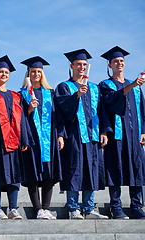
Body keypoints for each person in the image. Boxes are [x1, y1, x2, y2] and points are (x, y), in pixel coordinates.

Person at [55, 49, 110, 219]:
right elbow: (61, 110)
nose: (81, 67)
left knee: (91, 171)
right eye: (78, 64)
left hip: (92, 137)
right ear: (71, 66)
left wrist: (104, 131)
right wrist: (77, 95)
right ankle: (73, 208)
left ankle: (89, 208)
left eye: (84, 64)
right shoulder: (64, 86)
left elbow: (102, 112)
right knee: (74, 170)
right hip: (73, 136)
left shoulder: (94, 88)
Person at [98, 46, 145, 219]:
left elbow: (142, 110)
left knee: (137, 168)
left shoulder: (136, 86)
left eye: (121, 61)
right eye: (116, 61)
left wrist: (144, 131)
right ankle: (116, 207)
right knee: (115, 168)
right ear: (110, 65)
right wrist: (133, 85)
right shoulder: (105, 85)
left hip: (134, 135)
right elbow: (111, 101)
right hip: (116, 135)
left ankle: (136, 206)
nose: (119, 63)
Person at [0, 55, 29, 220]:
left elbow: (21, 118)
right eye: (0, 72)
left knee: (14, 174)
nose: (3, 74)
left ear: (9, 75)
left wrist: (25, 139)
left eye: (6, 72)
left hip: (14, 141)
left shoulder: (16, 96)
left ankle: (13, 208)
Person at [19, 56, 62, 219]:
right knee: (33, 173)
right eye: (33, 71)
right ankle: (38, 209)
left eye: (39, 71)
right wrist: (29, 109)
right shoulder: (22, 94)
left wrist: (60, 136)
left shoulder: (50, 93)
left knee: (49, 173)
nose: (36, 74)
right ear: (28, 74)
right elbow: (20, 117)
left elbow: (57, 116)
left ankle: (46, 208)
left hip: (49, 139)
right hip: (31, 138)